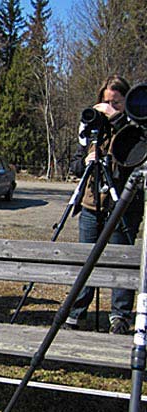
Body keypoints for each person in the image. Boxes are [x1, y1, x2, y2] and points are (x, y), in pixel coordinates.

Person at [63, 75, 142, 334]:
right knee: (87, 259)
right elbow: (74, 165)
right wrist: (87, 158)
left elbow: (133, 159)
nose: (109, 108)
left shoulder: (135, 129)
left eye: (116, 103)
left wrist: (118, 119)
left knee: (121, 261)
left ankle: (119, 316)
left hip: (123, 204)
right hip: (91, 204)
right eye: (105, 103)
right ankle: (78, 311)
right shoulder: (92, 130)